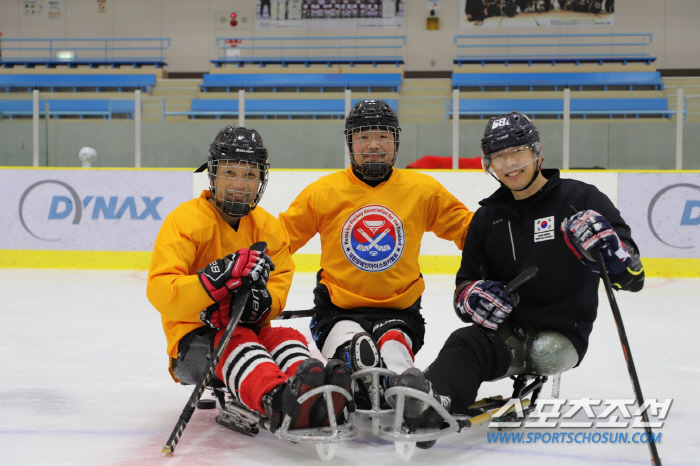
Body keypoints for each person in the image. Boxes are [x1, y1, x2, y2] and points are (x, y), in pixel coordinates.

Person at [396, 111, 645, 445]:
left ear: (537, 151)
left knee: (545, 352)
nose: (509, 164)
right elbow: (464, 285)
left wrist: (610, 250)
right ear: (489, 165)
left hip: (563, 333)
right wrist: (473, 297)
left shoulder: (580, 199)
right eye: (499, 156)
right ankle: (432, 400)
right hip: (508, 330)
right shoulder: (486, 219)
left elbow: (632, 276)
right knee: (465, 340)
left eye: (518, 152)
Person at [147, 126, 350, 434]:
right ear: (212, 175)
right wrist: (213, 282)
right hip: (193, 345)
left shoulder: (269, 229)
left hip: (249, 332)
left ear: (261, 180)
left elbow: (277, 291)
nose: (239, 185)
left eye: (250, 175)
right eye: (230, 172)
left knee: (284, 337)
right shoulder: (185, 221)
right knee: (239, 342)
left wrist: (260, 304)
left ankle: (315, 392)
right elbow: (161, 293)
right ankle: (278, 400)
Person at [279, 100, 474, 408]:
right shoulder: (323, 193)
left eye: (382, 136)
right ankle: (360, 377)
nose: (373, 145)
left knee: (394, 348)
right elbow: (279, 240)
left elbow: (470, 232)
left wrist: (515, 246)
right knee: (354, 350)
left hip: (400, 313)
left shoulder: (423, 190)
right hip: (337, 311)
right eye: (362, 137)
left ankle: (404, 388)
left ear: (395, 141)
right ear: (350, 143)